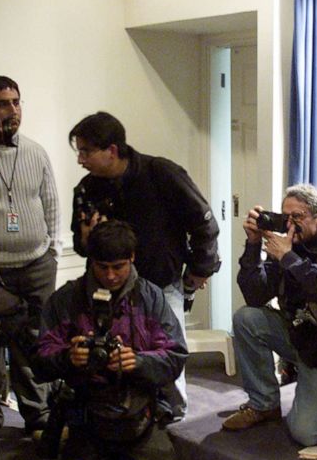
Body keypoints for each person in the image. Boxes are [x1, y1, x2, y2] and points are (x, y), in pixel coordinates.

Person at [34, 220, 188, 460]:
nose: (110, 275)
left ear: (132, 257)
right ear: (91, 262)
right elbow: (39, 359)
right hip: (88, 416)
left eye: (118, 266)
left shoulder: (150, 297)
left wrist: (139, 363)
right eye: (102, 267)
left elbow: (175, 355)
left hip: (140, 414)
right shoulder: (67, 299)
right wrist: (68, 358)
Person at [69, 112, 219, 423]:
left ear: (111, 151)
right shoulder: (87, 189)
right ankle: (121, 416)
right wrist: (85, 240)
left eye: (85, 151)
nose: (80, 160)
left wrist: (201, 267)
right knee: (112, 357)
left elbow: (203, 220)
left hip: (161, 282)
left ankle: (175, 419)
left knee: (167, 353)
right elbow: (82, 243)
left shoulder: (161, 173)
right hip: (108, 288)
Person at [221, 184, 317, 447]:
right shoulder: (286, 246)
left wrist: (288, 257)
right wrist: (253, 245)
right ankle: (263, 404)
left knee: (307, 434)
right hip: (295, 332)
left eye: (297, 217)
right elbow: (255, 296)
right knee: (247, 318)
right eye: (286, 217)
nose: (290, 224)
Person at [0, 75, 60, 443]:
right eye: (3, 103)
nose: (13, 110)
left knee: (35, 342)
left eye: (17, 102)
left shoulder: (35, 151)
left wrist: (54, 248)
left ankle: (37, 414)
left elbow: (51, 202)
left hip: (36, 264)